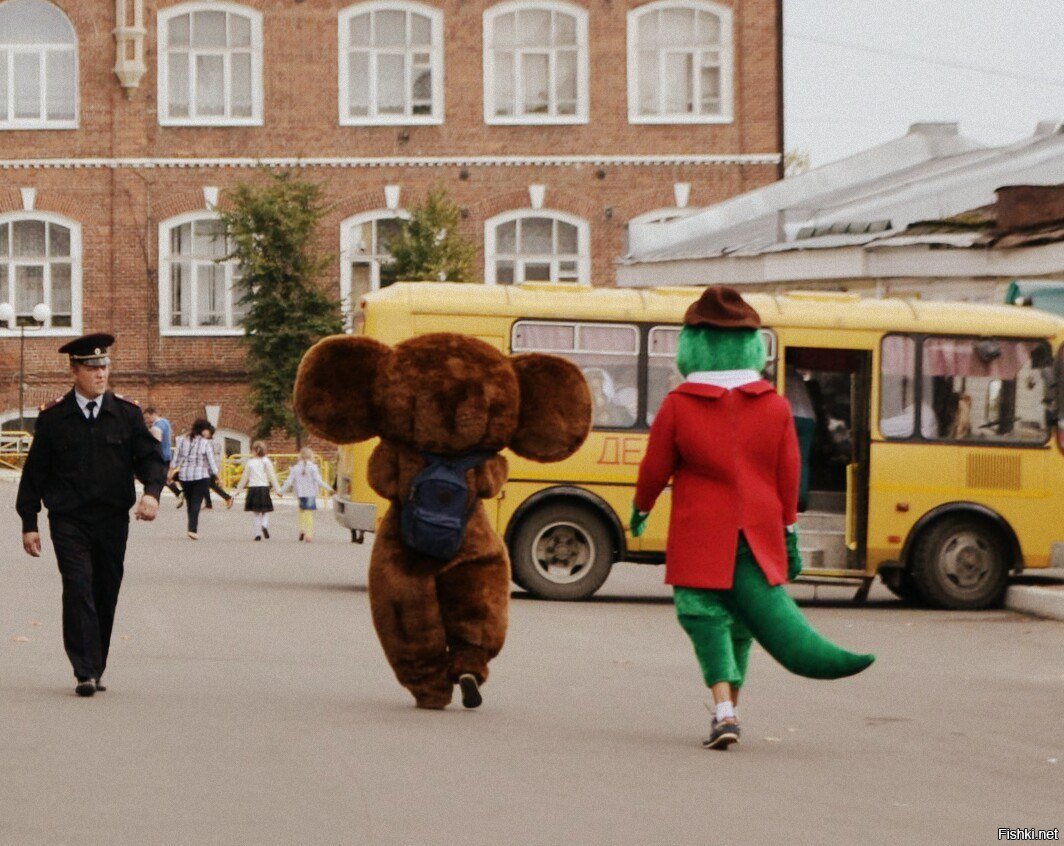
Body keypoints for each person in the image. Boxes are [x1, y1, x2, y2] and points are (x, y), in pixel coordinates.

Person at [630, 286, 873, 750]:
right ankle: (730, 713)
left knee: (702, 614)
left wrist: (641, 509)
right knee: (744, 622)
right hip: (758, 532)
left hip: (701, 532)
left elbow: (654, 469)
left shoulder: (679, 406)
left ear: (693, 345)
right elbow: (789, 478)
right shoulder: (777, 406)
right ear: (752, 346)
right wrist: (789, 535)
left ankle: (723, 710)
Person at [16, 333, 166, 697]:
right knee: (79, 586)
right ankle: (83, 669)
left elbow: (151, 459)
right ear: (75, 370)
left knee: (105, 590)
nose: (100, 374)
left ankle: (96, 665)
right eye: (91, 367)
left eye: (104, 366)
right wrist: (29, 523)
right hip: (69, 520)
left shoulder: (126, 414)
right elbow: (35, 473)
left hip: (112, 520)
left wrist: (151, 494)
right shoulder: (54, 418)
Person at [169, 418, 218, 539]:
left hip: (185, 476)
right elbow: (211, 461)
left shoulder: (182, 440)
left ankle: (190, 527)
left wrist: (170, 472)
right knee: (196, 502)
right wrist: (217, 476)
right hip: (201, 476)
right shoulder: (205, 443)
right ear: (203, 430)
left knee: (190, 503)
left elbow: (177, 458)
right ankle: (192, 529)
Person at [279, 447, 334, 542]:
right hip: (310, 493)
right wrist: (330, 489)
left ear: (300, 457)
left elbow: (289, 481)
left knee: (302, 511)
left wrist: (281, 492)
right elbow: (319, 481)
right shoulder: (313, 468)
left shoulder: (295, 468)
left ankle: (302, 529)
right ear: (311, 456)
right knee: (309, 514)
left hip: (300, 493)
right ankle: (309, 535)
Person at [234, 441, 282, 540]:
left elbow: (245, 477)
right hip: (264, 488)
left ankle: (257, 534)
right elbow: (272, 476)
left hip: (253, 488)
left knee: (256, 513)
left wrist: (238, 490)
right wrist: (278, 490)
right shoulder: (266, 461)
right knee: (265, 511)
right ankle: (264, 525)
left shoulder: (250, 462)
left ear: (254, 451)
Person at [144, 406, 183, 506]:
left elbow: (158, 437)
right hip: (167, 455)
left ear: (153, 414)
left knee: (157, 478)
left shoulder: (158, 425)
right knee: (163, 477)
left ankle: (154, 499)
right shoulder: (166, 422)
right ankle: (178, 493)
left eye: (148, 418)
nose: (147, 420)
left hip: (160, 456)